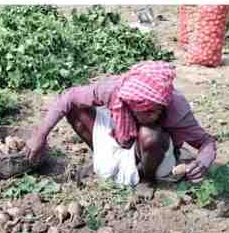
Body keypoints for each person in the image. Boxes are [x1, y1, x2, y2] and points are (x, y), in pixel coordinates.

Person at [26, 61, 217, 189]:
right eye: (147, 111)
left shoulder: (177, 108)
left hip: (155, 152)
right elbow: (68, 96)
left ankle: (147, 180)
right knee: (75, 108)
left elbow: (207, 142)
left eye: (158, 109)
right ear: (130, 105)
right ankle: (103, 158)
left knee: (150, 134)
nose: (155, 113)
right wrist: (40, 135)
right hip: (121, 135)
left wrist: (202, 163)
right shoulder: (116, 90)